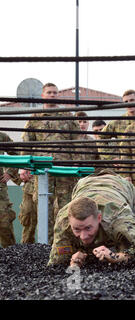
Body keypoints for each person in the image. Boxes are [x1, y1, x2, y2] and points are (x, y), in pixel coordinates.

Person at [47, 169, 135, 267]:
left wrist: (117, 257)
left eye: (88, 228)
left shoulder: (119, 217)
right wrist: (74, 259)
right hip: (86, 184)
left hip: (119, 186)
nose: (83, 236)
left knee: (134, 255)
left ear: (99, 217)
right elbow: (56, 263)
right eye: (77, 229)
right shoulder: (63, 219)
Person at [19, 83, 81, 244]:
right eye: (49, 92)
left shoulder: (68, 116)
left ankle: (64, 245)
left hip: (64, 172)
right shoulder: (35, 118)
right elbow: (27, 143)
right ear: (43, 95)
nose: (52, 95)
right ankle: (45, 245)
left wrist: (76, 164)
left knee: (66, 207)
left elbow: (77, 143)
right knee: (43, 208)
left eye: (55, 92)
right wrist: (24, 167)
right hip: (42, 171)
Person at [97, 89, 135, 161]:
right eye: (126, 101)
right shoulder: (118, 122)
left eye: (132, 100)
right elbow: (100, 138)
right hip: (125, 164)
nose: (129, 103)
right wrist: (111, 157)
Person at [0, 131, 20, 247]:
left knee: (4, 223)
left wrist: (10, 172)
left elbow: (17, 153)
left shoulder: (2, 136)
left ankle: (10, 256)